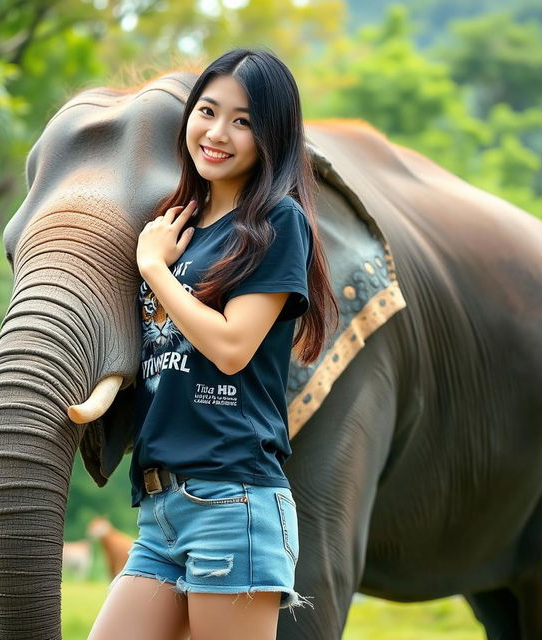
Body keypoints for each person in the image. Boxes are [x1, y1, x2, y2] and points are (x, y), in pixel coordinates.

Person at [88, 47, 339, 640]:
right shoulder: (177, 228)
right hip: (160, 510)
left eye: (243, 120)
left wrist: (154, 271)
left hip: (233, 502)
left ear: (271, 135)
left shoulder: (277, 223)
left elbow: (231, 348)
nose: (217, 132)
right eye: (207, 110)